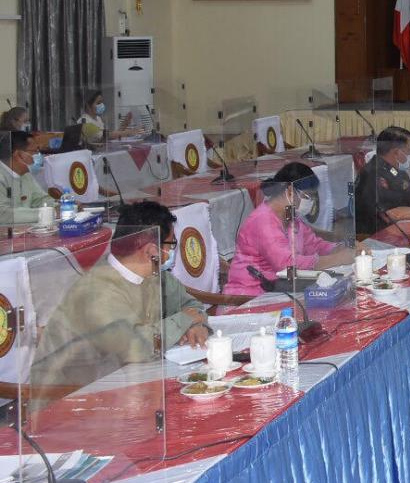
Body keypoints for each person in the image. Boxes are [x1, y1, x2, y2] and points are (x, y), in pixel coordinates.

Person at [31, 201, 209, 394]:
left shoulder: (153, 275)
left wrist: (195, 325)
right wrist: (185, 320)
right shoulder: (96, 292)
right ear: (150, 251)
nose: (171, 253)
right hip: (74, 397)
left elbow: (191, 305)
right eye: (171, 245)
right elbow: (134, 347)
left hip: (128, 386)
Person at [226, 162, 352, 295]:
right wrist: (338, 259)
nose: (311, 201)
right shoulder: (263, 221)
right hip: (249, 296)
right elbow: (287, 264)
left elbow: (313, 245)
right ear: (290, 191)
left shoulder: (291, 217)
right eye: (308, 196)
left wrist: (342, 248)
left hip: (280, 290)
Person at [353, 126, 410, 235]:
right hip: (374, 236)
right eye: (409, 149)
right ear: (396, 152)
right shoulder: (372, 174)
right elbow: (390, 215)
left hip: (398, 229)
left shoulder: (396, 171)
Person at [2, 129, 53, 222]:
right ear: (18, 154)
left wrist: (61, 207)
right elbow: (3, 214)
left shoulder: (25, 174)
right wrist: (45, 214)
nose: (38, 155)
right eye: (35, 151)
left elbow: (40, 199)